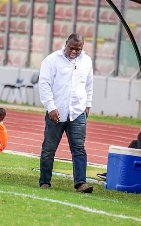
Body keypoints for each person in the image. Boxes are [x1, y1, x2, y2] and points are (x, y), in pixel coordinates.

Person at [38, 33, 94, 193]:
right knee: (49, 148)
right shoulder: (51, 60)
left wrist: (88, 104)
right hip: (56, 112)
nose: (74, 51)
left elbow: (89, 85)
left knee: (79, 148)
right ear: (66, 44)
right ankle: (45, 182)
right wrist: (51, 107)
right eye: (72, 48)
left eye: (78, 49)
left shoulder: (86, 61)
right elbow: (44, 84)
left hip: (77, 112)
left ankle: (81, 183)